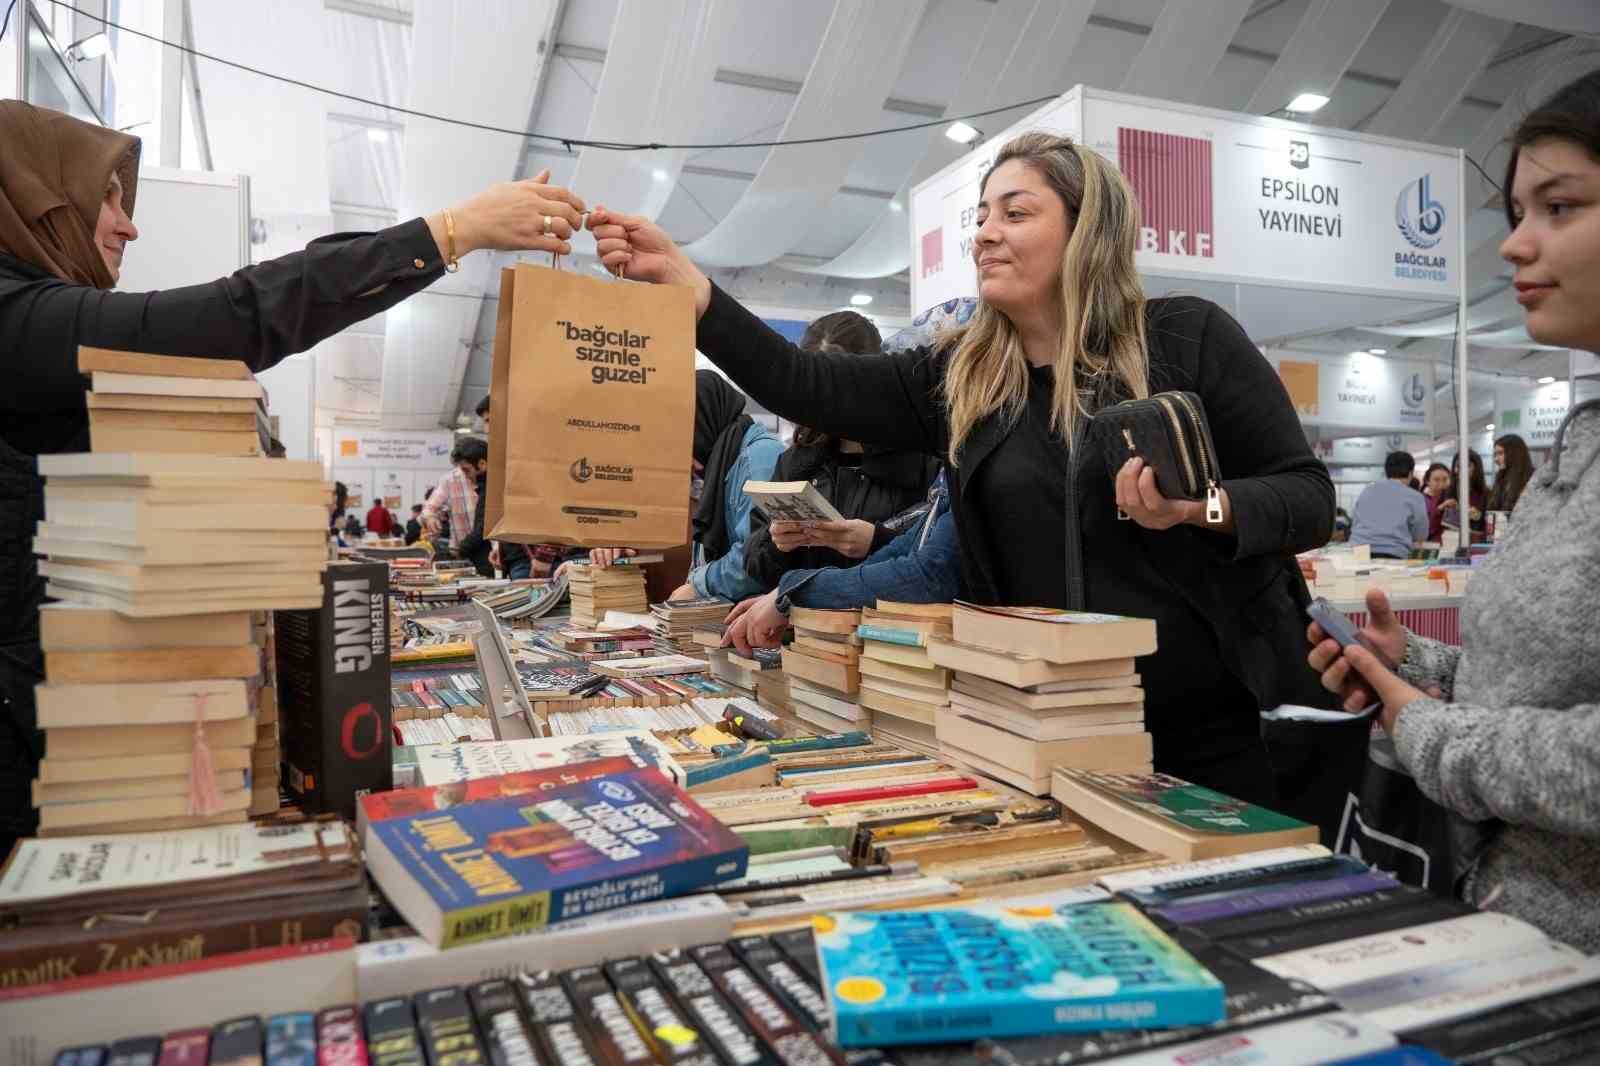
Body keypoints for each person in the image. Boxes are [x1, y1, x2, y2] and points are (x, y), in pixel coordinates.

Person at [589, 131, 1334, 803]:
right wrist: (700, 297)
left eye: (1015, 213)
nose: (984, 235)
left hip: (1211, 737)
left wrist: (1196, 508)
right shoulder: (965, 381)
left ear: (1086, 228)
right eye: (980, 216)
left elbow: (1307, 497)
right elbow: (802, 381)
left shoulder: (1187, 337)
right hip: (1035, 733)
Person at [0, 100, 585, 850]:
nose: (128, 224)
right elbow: (238, 315)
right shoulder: (16, 316)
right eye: (104, 199)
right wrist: (451, 232)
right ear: (38, 201)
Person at [1307, 68, 1600, 951]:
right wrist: (1423, 666)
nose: (1515, 246)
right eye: (1517, 213)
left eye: (1560, 208)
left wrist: (1427, 727)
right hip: (1521, 934)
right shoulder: (1581, 447)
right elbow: (1560, 681)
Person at [743, 311, 940, 589]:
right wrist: (777, 545)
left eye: (837, 386)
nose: (827, 403)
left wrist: (877, 541)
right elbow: (755, 567)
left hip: (891, 624)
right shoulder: (796, 462)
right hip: (806, 624)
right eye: (816, 388)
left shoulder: (923, 458)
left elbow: (943, 558)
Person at [583, 371, 784, 602]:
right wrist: (623, 550)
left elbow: (760, 556)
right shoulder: (717, 463)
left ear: (701, 420)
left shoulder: (758, 459)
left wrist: (699, 586)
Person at [726, 473, 959, 655]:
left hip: (906, 643)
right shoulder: (801, 460)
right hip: (824, 635)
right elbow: (909, 548)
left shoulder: (928, 455)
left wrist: (795, 591)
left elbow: (928, 574)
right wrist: (778, 550)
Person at [474, 394, 532, 579]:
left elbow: (550, 505)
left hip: (530, 557)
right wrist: (501, 547)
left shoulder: (531, 452)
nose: (486, 428)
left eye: (490, 420)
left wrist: (543, 558)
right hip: (515, 556)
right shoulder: (506, 455)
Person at [1350, 452, 1428, 560]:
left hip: (1359, 551)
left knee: (1362, 575)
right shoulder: (1415, 497)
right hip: (1394, 552)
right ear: (1410, 473)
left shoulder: (1367, 490)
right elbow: (1420, 535)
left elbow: (1355, 522)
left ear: (1386, 472)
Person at [451, 437, 494, 578]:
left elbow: (485, 527)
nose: (465, 476)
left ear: (482, 464)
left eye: (466, 470)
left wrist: (462, 549)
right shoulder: (485, 487)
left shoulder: (491, 489)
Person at [422, 443, 480, 548]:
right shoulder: (450, 480)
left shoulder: (493, 478)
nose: (465, 474)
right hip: (462, 549)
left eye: (467, 469)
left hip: (491, 549)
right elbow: (429, 508)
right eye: (461, 468)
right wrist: (430, 518)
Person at [1440, 450, 1488, 540]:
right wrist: (1442, 508)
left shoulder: (1486, 494)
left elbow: (1490, 525)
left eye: (1465, 466)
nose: (1457, 470)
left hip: (1476, 543)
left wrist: (1478, 516)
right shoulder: (1447, 492)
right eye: (1457, 466)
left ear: (1476, 468)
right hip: (1450, 541)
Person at [1487, 433, 1534, 516]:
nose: (1496, 459)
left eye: (1500, 453)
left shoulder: (1532, 479)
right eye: (1495, 454)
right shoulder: (1501, 479)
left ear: (1514, 453)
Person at [1420, 462, 1451, 542]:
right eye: (1436, 480)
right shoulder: (1420, 501)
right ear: (1427, 481)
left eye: (1445, 479)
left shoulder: (1451, 500)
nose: (1441, 484)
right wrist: (1440, 508)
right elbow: (1424, 529)